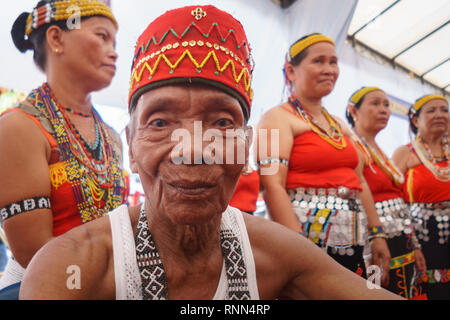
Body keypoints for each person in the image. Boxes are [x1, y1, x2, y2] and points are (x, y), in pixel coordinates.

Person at [19, 5, 401, 300]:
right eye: (160, 123)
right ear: (130, 148)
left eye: (221, 123)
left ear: (247, 146)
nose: (194, 149)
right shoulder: (70, 267)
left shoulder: (276, 253)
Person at [0, 0, 128, 294]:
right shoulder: (19, 128)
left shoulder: (112, 137)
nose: (114, 51)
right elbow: (34, 255)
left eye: (114, 41)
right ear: (56, 38)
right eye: (101, 36)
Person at [255, 34, 391, 284]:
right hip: (307, 240)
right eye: (319, 61)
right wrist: (300, 249)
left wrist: (377, 233)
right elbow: (272, 185)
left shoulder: (339, 124)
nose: (329, 70)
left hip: (353, 239)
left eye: (333, 62)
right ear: (291, 71)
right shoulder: (277, 118)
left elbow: (358, 180)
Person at [346, 87, 426, 298]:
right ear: (353, 111)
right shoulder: (351, 146)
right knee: (378, 291)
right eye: (375, 104)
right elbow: (359, 195)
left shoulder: (377, 150)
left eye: (386, 105)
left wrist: (415, 244)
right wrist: (374, 240)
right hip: (375, 242)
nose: (383, 110)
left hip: (402, 238)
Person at [392, 94, 449, 300]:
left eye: (444, 110)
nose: (440, 115)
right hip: (422, 231)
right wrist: (410, 240)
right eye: (431, 110)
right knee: (433, 287)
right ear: (415, 120)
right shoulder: (405, 153)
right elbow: (392, 197)